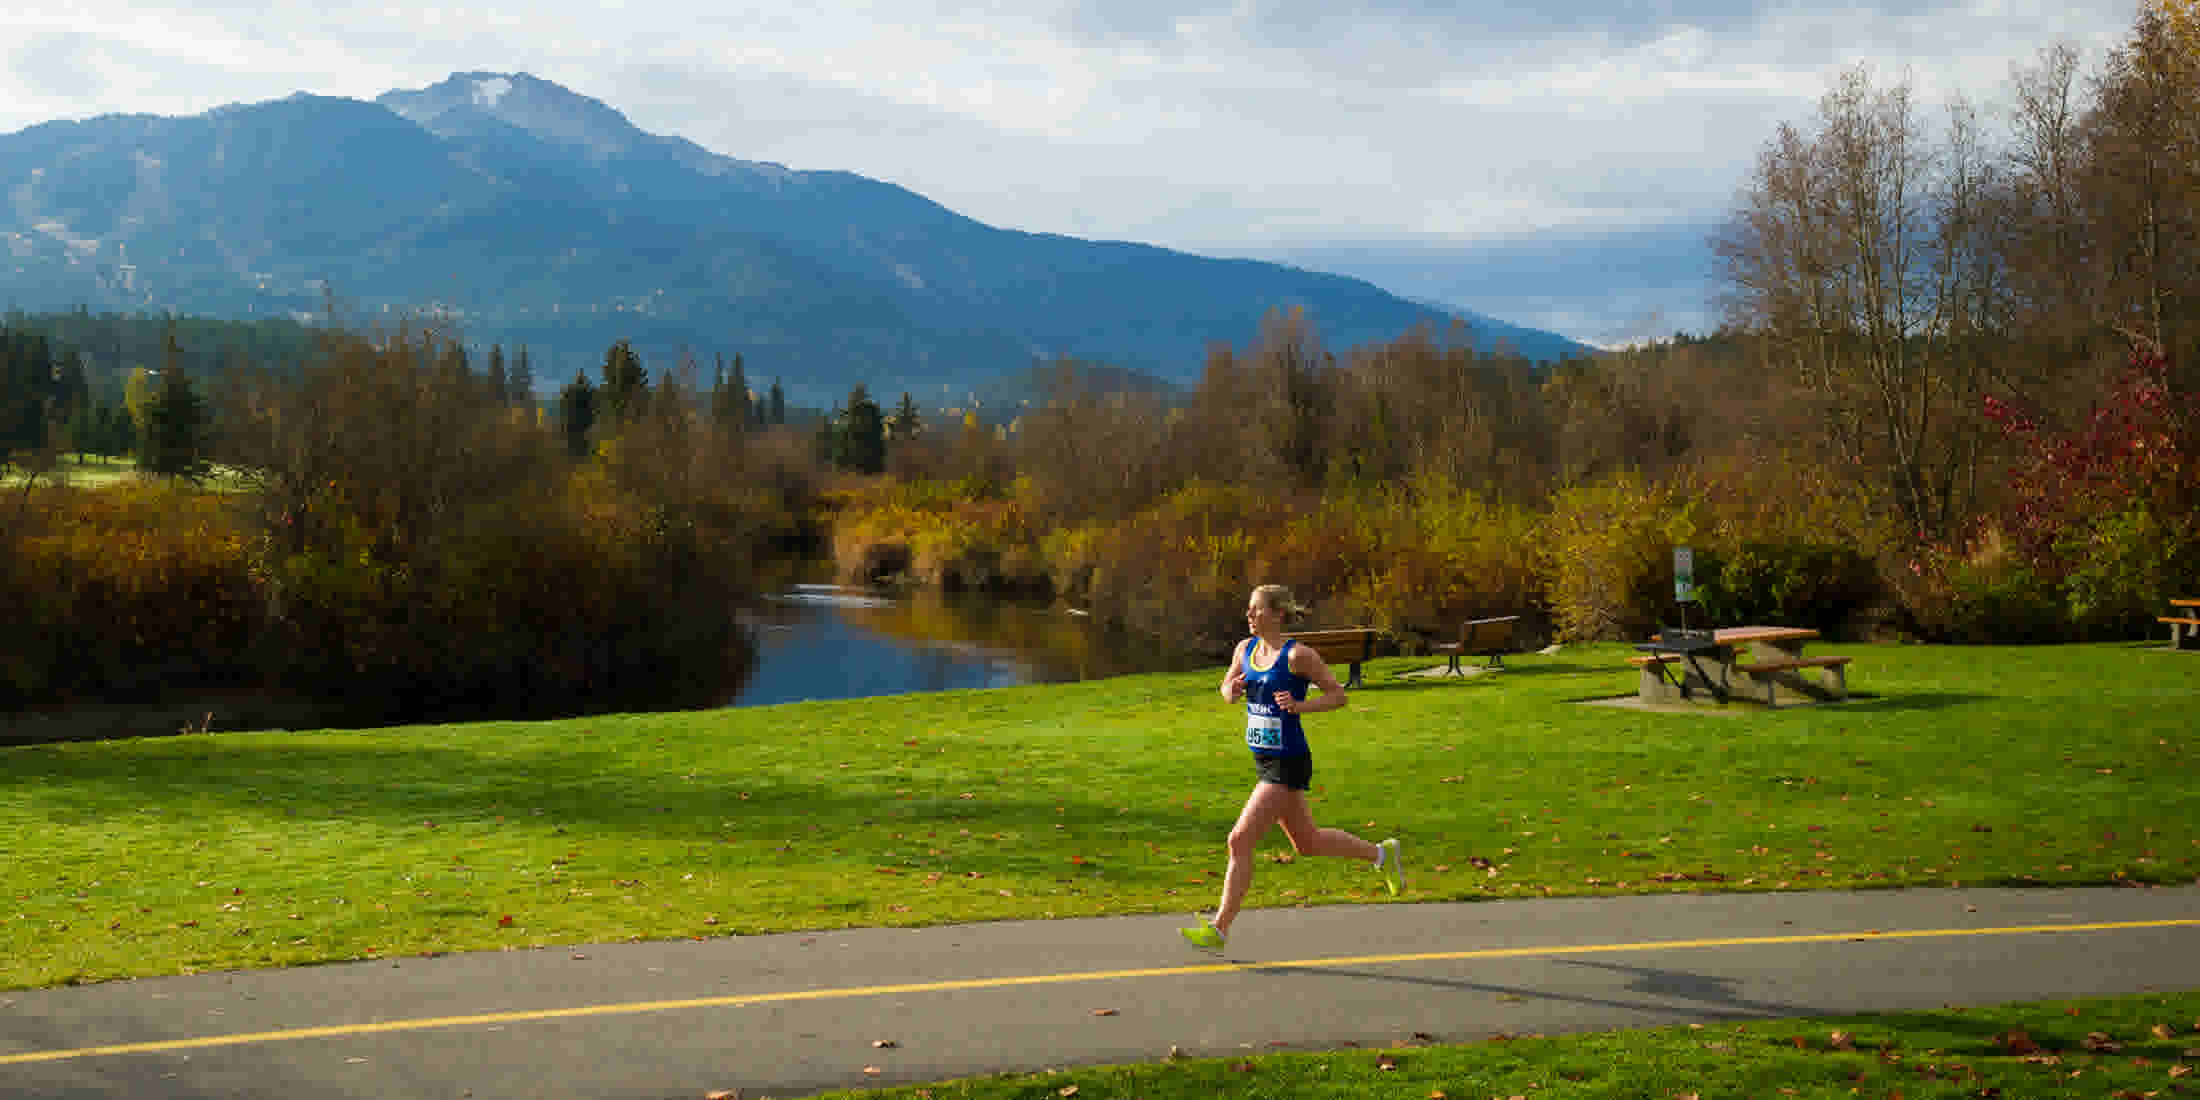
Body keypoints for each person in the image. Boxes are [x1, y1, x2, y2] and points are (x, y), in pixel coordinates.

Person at [1181, 584, 1402, 953]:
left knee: (1239, 840)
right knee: (1308, 843)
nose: (1249, 616)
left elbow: (1338, 695)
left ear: (1277, 613)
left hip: (1287, 761)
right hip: (1264, 760)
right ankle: (1383, 855)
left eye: (1256, 610)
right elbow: (1224, 685)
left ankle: (1218, 930)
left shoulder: (1298, 656)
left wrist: (1300, 707)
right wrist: (1230, 691)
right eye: (1248, 610)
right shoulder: (1245, 649)